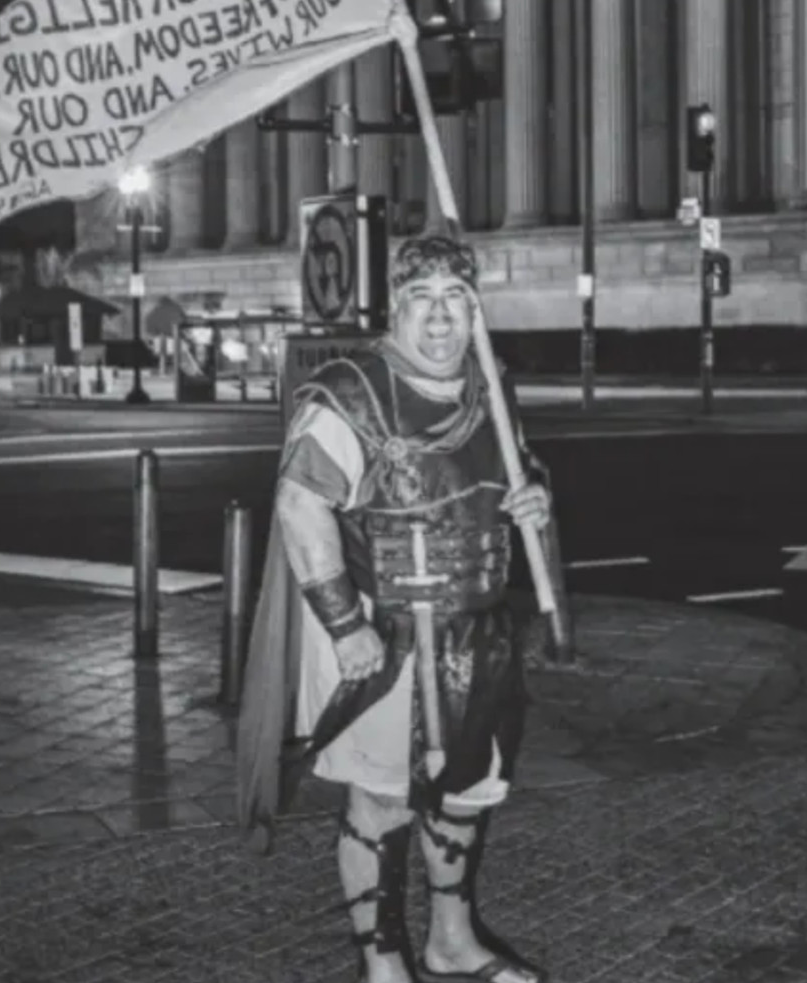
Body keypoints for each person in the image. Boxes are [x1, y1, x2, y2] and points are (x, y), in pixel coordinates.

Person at [237, 235, 556, 983]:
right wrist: (345, 626)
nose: (440, 318)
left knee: (464, 795)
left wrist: (533, 492)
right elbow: (300, 503)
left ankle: (450, 942)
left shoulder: (489, 388)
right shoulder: (353, 393)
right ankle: (383, 963)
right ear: (397, 308)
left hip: (477, 632)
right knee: (381, 803)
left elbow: (513, 470)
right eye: (422, 300)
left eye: (456, 299)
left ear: (475, 309)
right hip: (389, 640)